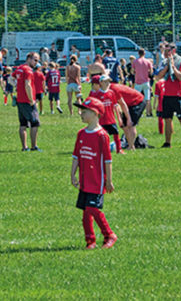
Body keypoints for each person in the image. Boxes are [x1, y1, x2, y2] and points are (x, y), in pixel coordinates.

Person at [70, 98, 116, 249]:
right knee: (85, 213)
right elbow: (76, 155)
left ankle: (109, 234)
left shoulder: (102, 135)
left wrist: (109, 180)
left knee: (92, 209)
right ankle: (90, 241)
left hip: (97, 180)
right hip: (85, 180)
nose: (81, 114)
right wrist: (73, 174)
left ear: (95, 114)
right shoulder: (81, 133)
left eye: (85, 112)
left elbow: (107, 160)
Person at [157, 43, 181, 148]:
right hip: (166, 94)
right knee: (167, 119)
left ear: (174, 50)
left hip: (178, 94)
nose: (166, 53)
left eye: (168, 51)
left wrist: (173, 66)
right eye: (165, 51)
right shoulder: (164, 62)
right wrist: (167, 66)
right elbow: (158, 77)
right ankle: (167, 142)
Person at [89, 75, 125, 155]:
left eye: (108, 81)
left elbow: (116, 106)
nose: (108, 83)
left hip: (111, 119)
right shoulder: (97, 94)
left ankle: (119, 150)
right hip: (101, 120)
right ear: (101, 83)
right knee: (100, 136)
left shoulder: (111, 93)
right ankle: (99, 150)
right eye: (105, 81)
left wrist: (119, 119)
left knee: (116, 134)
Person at [108, 80, 145, 150]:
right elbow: (116, 105)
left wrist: (129, 119)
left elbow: (122, 104)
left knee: (130, 125)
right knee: (124, 125)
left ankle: (131, 146)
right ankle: (131, 145)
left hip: (137, 101)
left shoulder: (114, 89)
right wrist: (120, 119)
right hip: (129, 104)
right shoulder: (107, 91)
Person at [15, 52, 41, 151]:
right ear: (29, 59)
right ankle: (34, 146)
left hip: (19, 100)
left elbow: (10, 79)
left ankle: (24, 147)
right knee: (34, 123)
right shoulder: (28, 71)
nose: (36, 63)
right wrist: (31, 100)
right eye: (35, 60)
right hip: (27, 101)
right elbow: (28, 85)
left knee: (23, 124)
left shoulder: (19, 68)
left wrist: (17, 88)